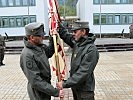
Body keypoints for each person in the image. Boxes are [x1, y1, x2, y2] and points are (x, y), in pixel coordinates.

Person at [20, 22, 64, 100]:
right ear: (32, 37)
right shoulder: (27, 55)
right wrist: (55, 92)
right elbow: (35, 81)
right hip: (38, 93)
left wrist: (53, 37)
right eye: (40, 35)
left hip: (45, 89)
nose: (43, 37)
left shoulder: (39, 47)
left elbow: (49, 52)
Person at [56, 21, 99, 100]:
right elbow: (67, 37)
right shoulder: (78, 43)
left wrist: (65, 83)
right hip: (76, 88)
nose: (73, 34)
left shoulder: (91, 49)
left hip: (85, 91)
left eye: (75, 31)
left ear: (83, 32)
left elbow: (83, 72)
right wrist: (58, 25)